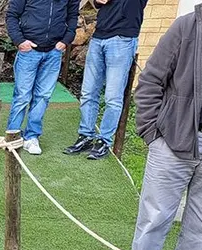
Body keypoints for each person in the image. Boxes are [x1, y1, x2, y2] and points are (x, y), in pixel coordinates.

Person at [117, 1, 202, 250]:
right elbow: (150, 81)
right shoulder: (187, 26)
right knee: (153, 223)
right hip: (175, 140)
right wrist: (152, 134)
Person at [64, 0, 149, 160]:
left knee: (112, 97)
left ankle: (103, 140)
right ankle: (86, 136)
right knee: (88, 93)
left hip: (122, 39)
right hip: (99, 36)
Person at [5, 0, 79, 155]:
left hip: (53, 52)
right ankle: (12, 136)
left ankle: (31, 137)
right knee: (22, 95)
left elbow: (72, 17)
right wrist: (19, 40)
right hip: (28, 51)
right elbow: (12, 15)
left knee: (43, 96)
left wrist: (66, 40)